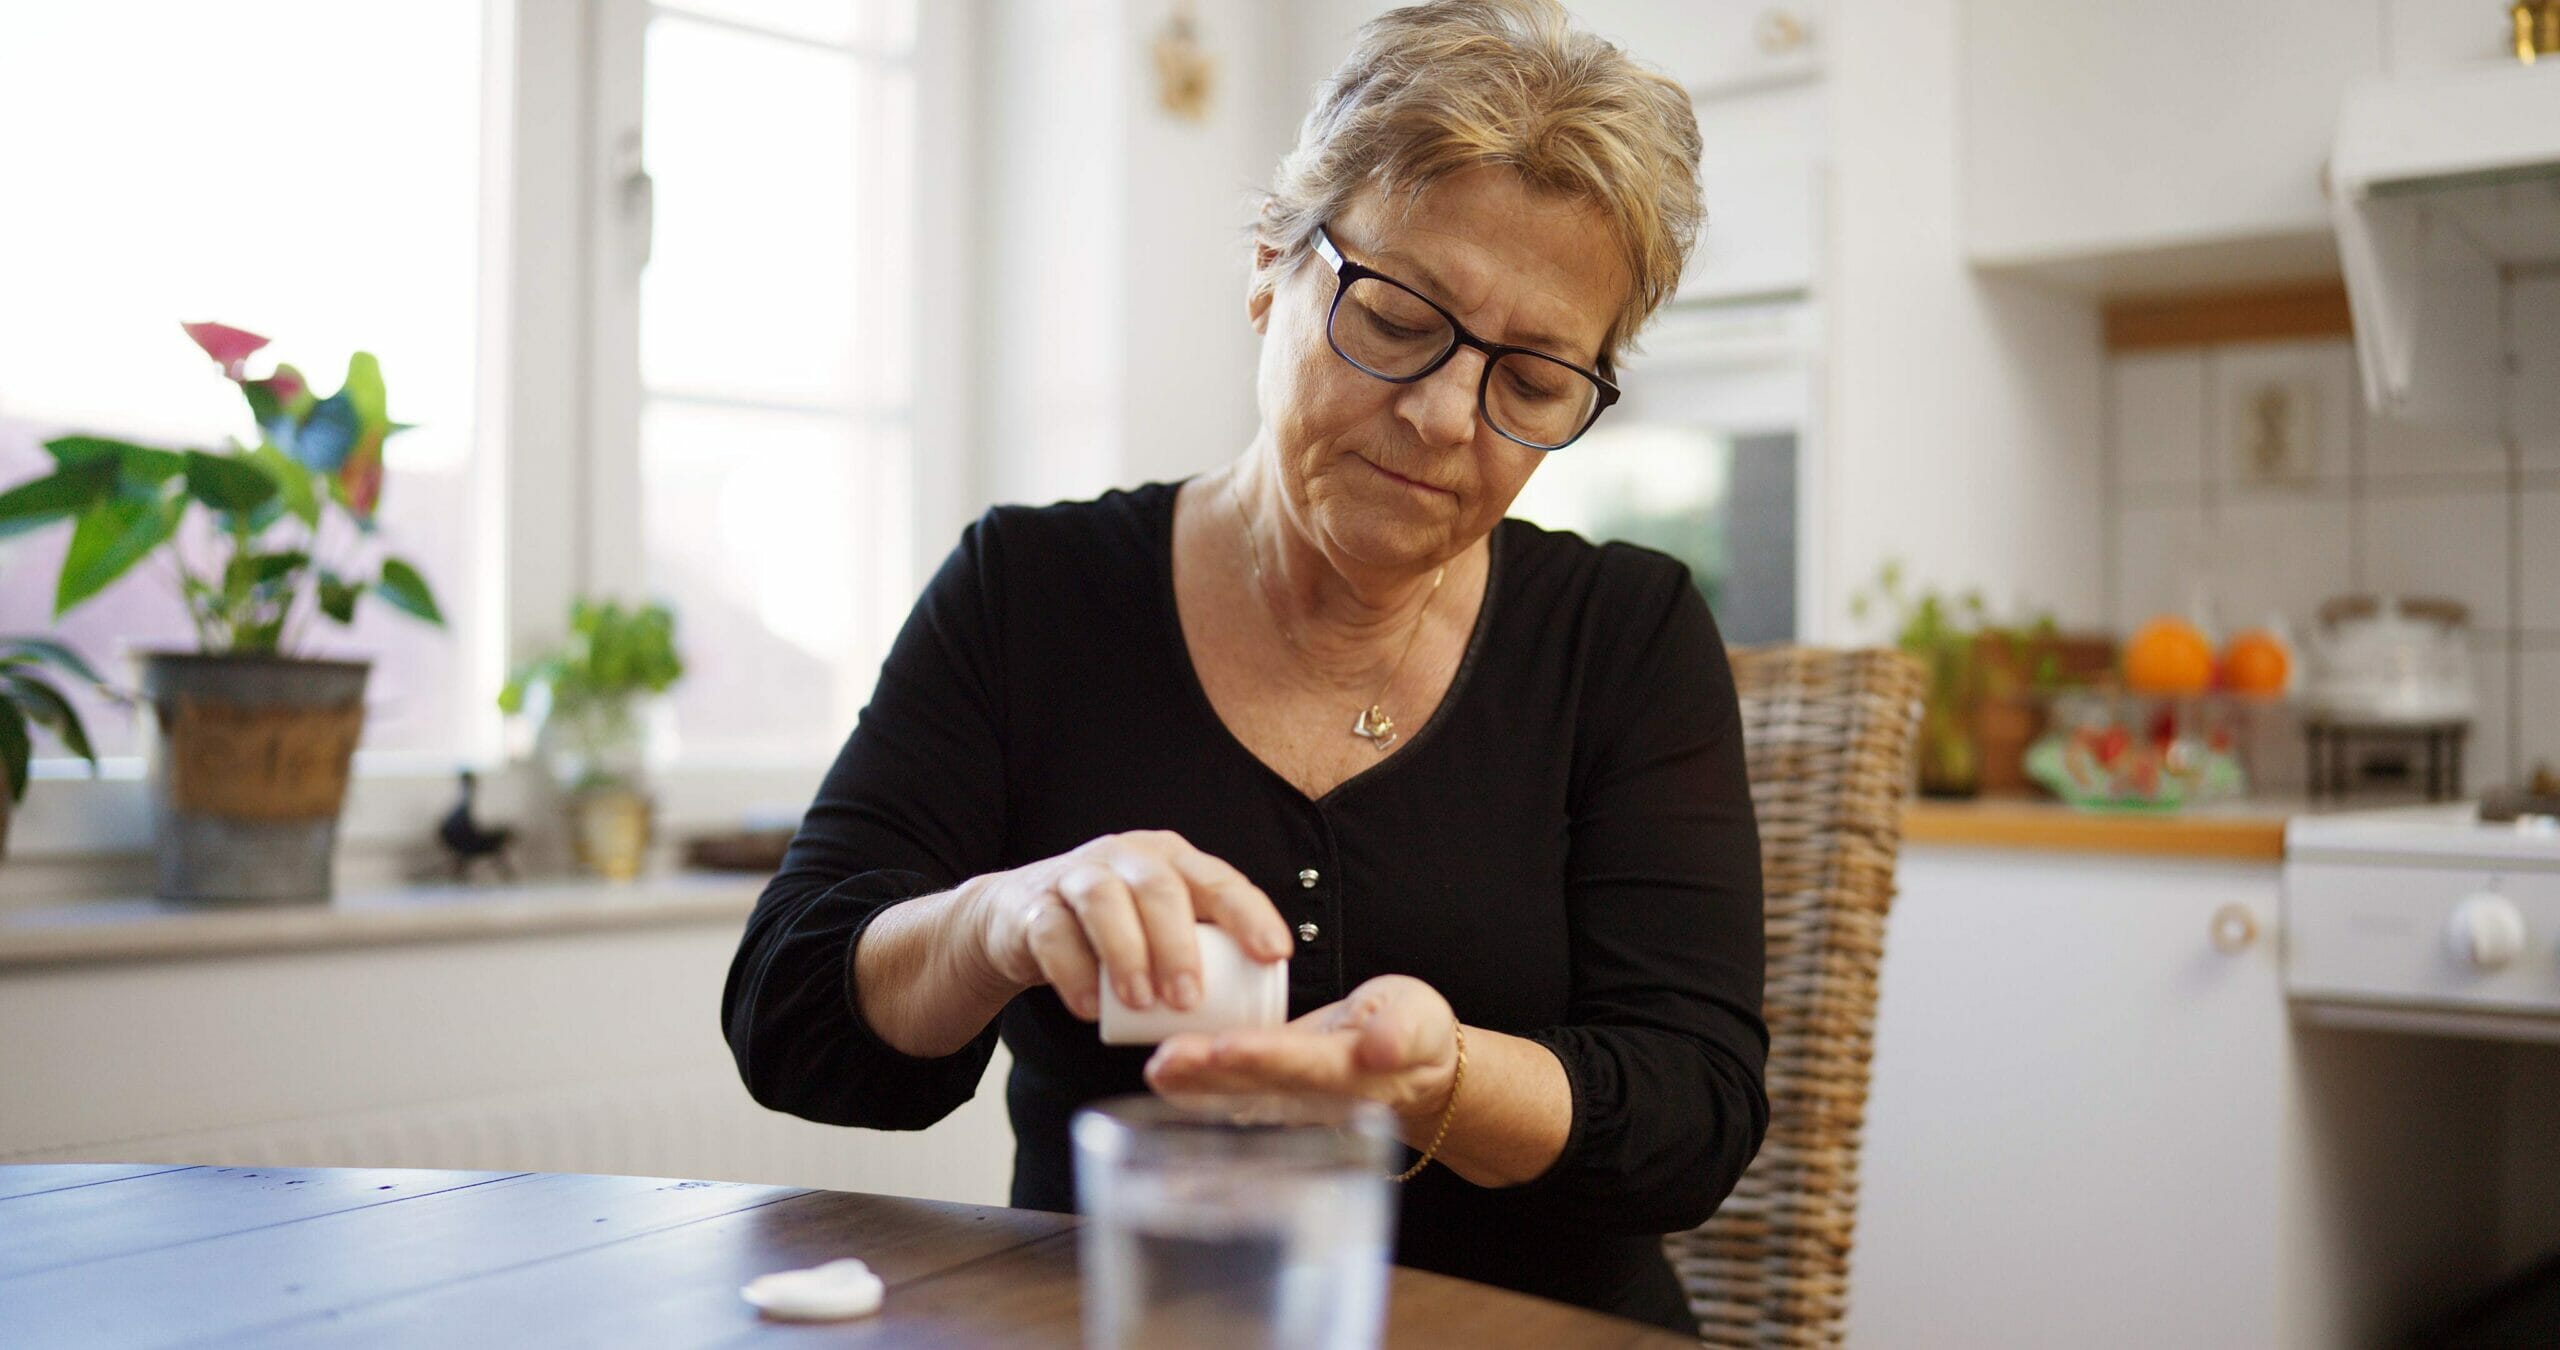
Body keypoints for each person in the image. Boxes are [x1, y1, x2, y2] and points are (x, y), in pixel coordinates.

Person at [721, 0, 1764, 1332]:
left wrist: (1434, 1074)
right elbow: (789, 1019)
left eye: (1536, 381)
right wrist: (1003, 918)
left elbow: (1695, 1114)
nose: (1445, 414)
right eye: (1397, 316)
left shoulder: (1625, 633)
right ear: (1274, 264)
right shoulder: (1032, 593)